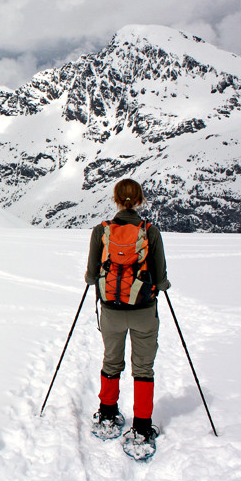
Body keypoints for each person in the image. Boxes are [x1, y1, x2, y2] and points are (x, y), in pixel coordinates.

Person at [84, 178, 170, 447]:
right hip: (144, 310)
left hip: (111, 310)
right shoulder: (150, 232)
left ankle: (108, 414)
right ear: (140, 200)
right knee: (143, 367)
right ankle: (142, 427)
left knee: (111, 361)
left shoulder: (102, 231)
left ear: (116, 199)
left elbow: (90, 276)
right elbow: (161, 277)